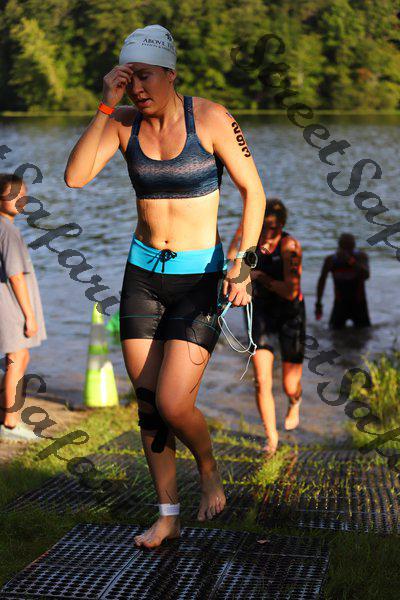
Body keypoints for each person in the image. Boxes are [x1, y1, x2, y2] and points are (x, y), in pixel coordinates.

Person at [64, 24, 266, 548]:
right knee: (150, 404)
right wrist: (105, 104)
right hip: (143, 278)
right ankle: (168, 514)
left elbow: (254, 192)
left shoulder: (212, 119)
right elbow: (75, 178)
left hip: (200, 279)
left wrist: (242, 264)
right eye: (128, 79)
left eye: (146, 77)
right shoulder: (122, 123)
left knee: (176, 404)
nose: (137, 88)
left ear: (171, 74)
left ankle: (208, 466)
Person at [227, 198, 305, 456]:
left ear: (282, 225)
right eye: (264, 227)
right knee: (261, 380)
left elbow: (290, 291)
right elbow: (231, 262)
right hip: (260, 312)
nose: (269, 233)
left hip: (289, 314)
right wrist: (242, 229)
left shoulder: (290, 247)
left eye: (274, 227)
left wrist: (260, 276)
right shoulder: (251, 244)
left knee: (289, 385)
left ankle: (295, 401)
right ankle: (271, 438)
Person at [0, 173, 47, 441]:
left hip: (6, 304)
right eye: (13, 194)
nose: (20, 199)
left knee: (18, 358)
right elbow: (15, 275)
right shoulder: (8, 231)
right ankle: (10, 422)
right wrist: (30, 316)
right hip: (11, 307)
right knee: (17, 359)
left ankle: (5, 415)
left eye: (23, 194)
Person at [316, 233, 371, 329]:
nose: (346, 250)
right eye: (344, 246)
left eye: (349, 247)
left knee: (364, 332)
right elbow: (322, 281)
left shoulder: (361, 257)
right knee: (334, 333)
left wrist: (350, 261)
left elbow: (366, 275)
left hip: (359, 303)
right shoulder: (331, 260)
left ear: (353, 246)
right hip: (340, 303)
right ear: (339, 246)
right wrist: (318, 303)